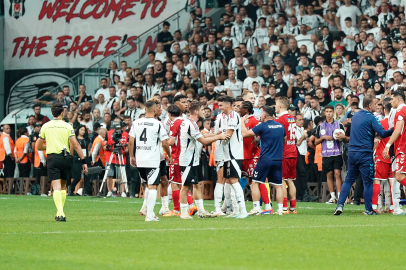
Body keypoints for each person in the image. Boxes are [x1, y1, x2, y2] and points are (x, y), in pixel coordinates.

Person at [334, 96, 393, 216]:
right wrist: (394, 129)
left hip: (352, 152)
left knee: (349, 179)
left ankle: (340, 205)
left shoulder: (355, 116)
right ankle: (369, 209)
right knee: (368, 182)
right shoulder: (371, 117)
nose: (377, 106)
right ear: (369, 106)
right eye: (375, 104)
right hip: (365, 153)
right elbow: (382, 133)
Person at [175, 101, 229, 219]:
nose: (203, 112)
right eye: (201, 110)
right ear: (196, 111)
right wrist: (219, 137)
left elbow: (202, 136)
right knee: (186, 186)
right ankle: (184, 212)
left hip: (193, 160)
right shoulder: (190, 124)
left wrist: (216, 134)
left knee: (197, 185)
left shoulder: (190, 123)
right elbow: (203, 141)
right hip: (187, 160)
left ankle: (201, 211)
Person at [36, 103, 88, 222]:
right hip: (65, 158)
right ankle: (60, 212)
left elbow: (38, 146)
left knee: (56, 187)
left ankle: (60, 212)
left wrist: (47, 147)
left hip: (53, 158)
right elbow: (76, 145)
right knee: (64, 186)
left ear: (52, 113)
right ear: (62, 113)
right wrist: (84, 161)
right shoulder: (67, 126)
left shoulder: (46, 126)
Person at [128, 100, 172, 222]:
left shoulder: (136, 122)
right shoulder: (158, 124)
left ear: (145, 110)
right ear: (154, 110)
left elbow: (131, 141)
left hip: (140, 159)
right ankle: (150, 215)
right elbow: (164, 143)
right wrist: (169, 155)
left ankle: (146, 210)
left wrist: (132, 156)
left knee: (148, 185)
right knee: (152, 187)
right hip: (152, 160)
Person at [242, 105, 286, 215]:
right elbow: (284, 139)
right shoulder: (280, 126)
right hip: (278, 159)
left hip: (265, 159)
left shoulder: (262, 126)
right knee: (278, 185)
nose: (260, 116)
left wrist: (242, 122)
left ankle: (256, 207)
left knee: (255, 182)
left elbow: (245, 134)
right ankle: (280, 210)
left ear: (265, 115)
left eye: (261, 114)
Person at [239, 101, 273, 215]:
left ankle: (267, 206)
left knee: (258, 180)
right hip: (244, 155)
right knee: (249, 180)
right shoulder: (240, 120)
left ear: (246, 110)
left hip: (253, 155)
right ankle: (256, 206)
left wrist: (258, 138)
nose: (238, 109)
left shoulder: (253, 120)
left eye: (240, 108)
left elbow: (262, 130)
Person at [217, 96, 249, 219]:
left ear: (227, 105)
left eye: (221, 105)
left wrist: (212, 138)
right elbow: (221, 133)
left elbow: (227, 135)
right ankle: (235, 210)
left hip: (233, 154)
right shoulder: (225, 117)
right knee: (230, 181)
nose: (219, 108)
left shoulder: (232, 116)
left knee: (234, 181)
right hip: (228, 155)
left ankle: (243, 211)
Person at [315, 105, 345, 204]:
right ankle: (333, 197)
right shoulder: (320, 126)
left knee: (337, 174)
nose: (328, 113)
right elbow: (315, 142)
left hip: (336, 153)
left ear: (333, 113)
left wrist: (339, 137)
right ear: (324, 113)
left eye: (330, 111)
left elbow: (344, 138)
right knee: (329, 174)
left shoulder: (339, 125)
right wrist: (323, 137)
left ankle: (340, 196)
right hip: (326, 154)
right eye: (327, 111)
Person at [382, 90, 406, 215]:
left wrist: (387, 145)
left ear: (398, 99)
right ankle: (396, 207)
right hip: (401, 147)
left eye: (392, 99)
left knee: (398, 176)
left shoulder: (400, 111)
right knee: (399, 176)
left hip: (402, 147)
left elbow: (397, 130)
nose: (390, 102)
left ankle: (396, 207)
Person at [275, 97, 298, 214]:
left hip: (284, 152)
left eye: (275, 104)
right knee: (290, 180)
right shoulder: (292, 118)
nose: (274, 106)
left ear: (279, 106)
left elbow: (279, 137)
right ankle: (293, 208)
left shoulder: (280, 120)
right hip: (293, 151)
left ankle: (284, 207)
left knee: (282, 180)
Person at [372, 102, 395, 213]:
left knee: (378, 181)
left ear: (384, 110)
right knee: (393, 181)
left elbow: (375, 138)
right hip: (394, 155)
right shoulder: (398, 123)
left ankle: (376, 208)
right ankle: (391, 207)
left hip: (382, 154)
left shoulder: (380, 123)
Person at [69, 125, 91, 196]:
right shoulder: (74, 139)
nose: (83, 131)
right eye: (81, 130)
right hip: (77, 158)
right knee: (77, 176)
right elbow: (71, 150)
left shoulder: (87, 139)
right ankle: (71, 189)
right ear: (78, 130)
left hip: (85, 158)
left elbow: (87, 149)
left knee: (87, 176)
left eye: (84, 130)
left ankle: (86, 192)